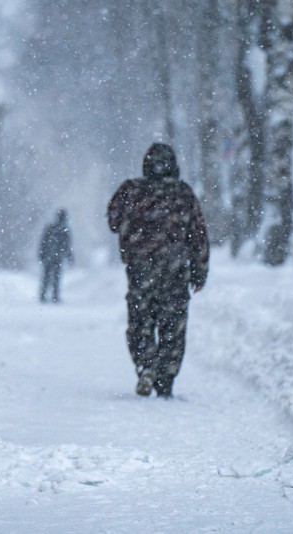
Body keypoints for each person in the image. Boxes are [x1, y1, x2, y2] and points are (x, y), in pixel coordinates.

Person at [107, 143, 209, 398]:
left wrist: (136, 227)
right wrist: (199, 271)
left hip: (140, 269)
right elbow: (198, 235)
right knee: (172, 325)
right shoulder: (184, 194)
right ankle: (166, 378)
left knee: (140, 321)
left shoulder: (131, 190)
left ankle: (145, 365)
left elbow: (112, 220)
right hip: (176, 270)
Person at [39, 209, 74, 303]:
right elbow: (67, 246)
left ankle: (43, 295)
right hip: (58, 257)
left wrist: (42, 254)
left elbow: (43, 242)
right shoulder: (65, 230)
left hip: (48, 256)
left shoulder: (50, 227)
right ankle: (54, 296)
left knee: (46, 277)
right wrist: (70, 257)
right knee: (56, 277)